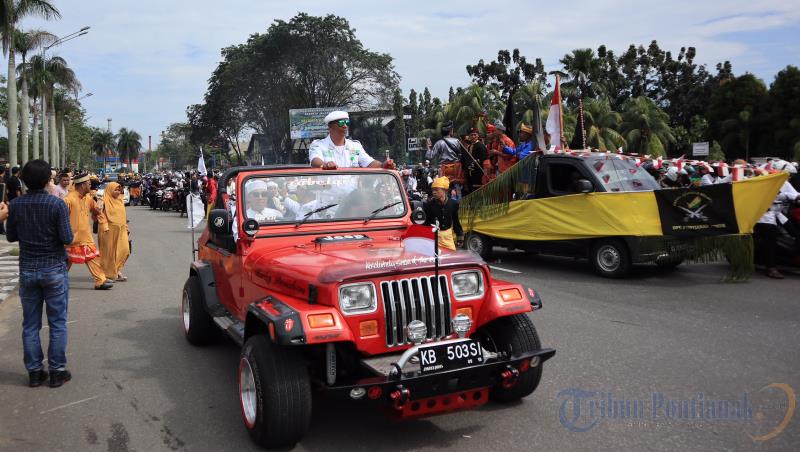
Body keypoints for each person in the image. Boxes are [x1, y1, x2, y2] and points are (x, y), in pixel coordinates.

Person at [6, 159, 75, 388]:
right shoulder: (57, 205)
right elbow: (67, 238)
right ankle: (57, 371)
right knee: (57, 322)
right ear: (48, 180)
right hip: (54, 268)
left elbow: (11, 237)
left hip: (28, 270)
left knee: (30, 324)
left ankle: (35, 372)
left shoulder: (16, 205)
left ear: (23, 180)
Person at [64, 172, 113, 290]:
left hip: (85, 237)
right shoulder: (68, 200)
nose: (91, 186)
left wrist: (100, 206)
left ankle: (100, 281)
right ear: (82, 185)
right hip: (71, 238)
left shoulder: (88, 198)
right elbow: (61, 219)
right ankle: (57, 281)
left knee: (93, 258)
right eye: (89, 183)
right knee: (66, 262)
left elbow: (96, 210)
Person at [309, 110, 395, 169]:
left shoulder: (355, 146)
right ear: (330, 127)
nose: (345, 126)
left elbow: (369, 163)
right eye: (341, 123)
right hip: (328, 194)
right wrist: (325, 165)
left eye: (347, 123)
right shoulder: (318, 145)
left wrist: (383, 165)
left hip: (352, 194)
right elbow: (315, 161)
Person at [98, 182, 131, 282]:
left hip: (121, 230)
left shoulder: (120, 200)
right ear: (109, 190)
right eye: (115, 190)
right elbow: (100, 215)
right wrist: (104, 226)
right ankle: (111, 273)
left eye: (119, 190)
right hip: (108, 230)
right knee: (109, 253)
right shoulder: (103, 200)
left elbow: (123, 216)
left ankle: (116, 270)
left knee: (125, 250)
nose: (117, 192)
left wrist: (126, 227)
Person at [424, 176, 463, 251]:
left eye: (436, 190)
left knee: (450, 257)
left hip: (447, 237)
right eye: (433, 190)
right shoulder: (429, 204)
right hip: (433, 238)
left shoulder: (453, 204)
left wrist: (460, 237)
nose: (433, 192)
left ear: (445, 190)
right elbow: (426, 223)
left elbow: (456, 221)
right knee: (435, 259)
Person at [427, 121, 464, 198]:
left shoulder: (439, 143)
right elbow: (462, 154)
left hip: (444, 168)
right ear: (450, 131)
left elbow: (430, 156)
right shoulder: (457, 141)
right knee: (457, 187)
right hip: (456, 168)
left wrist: (429, 147)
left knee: (443, 187)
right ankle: (460, 204)